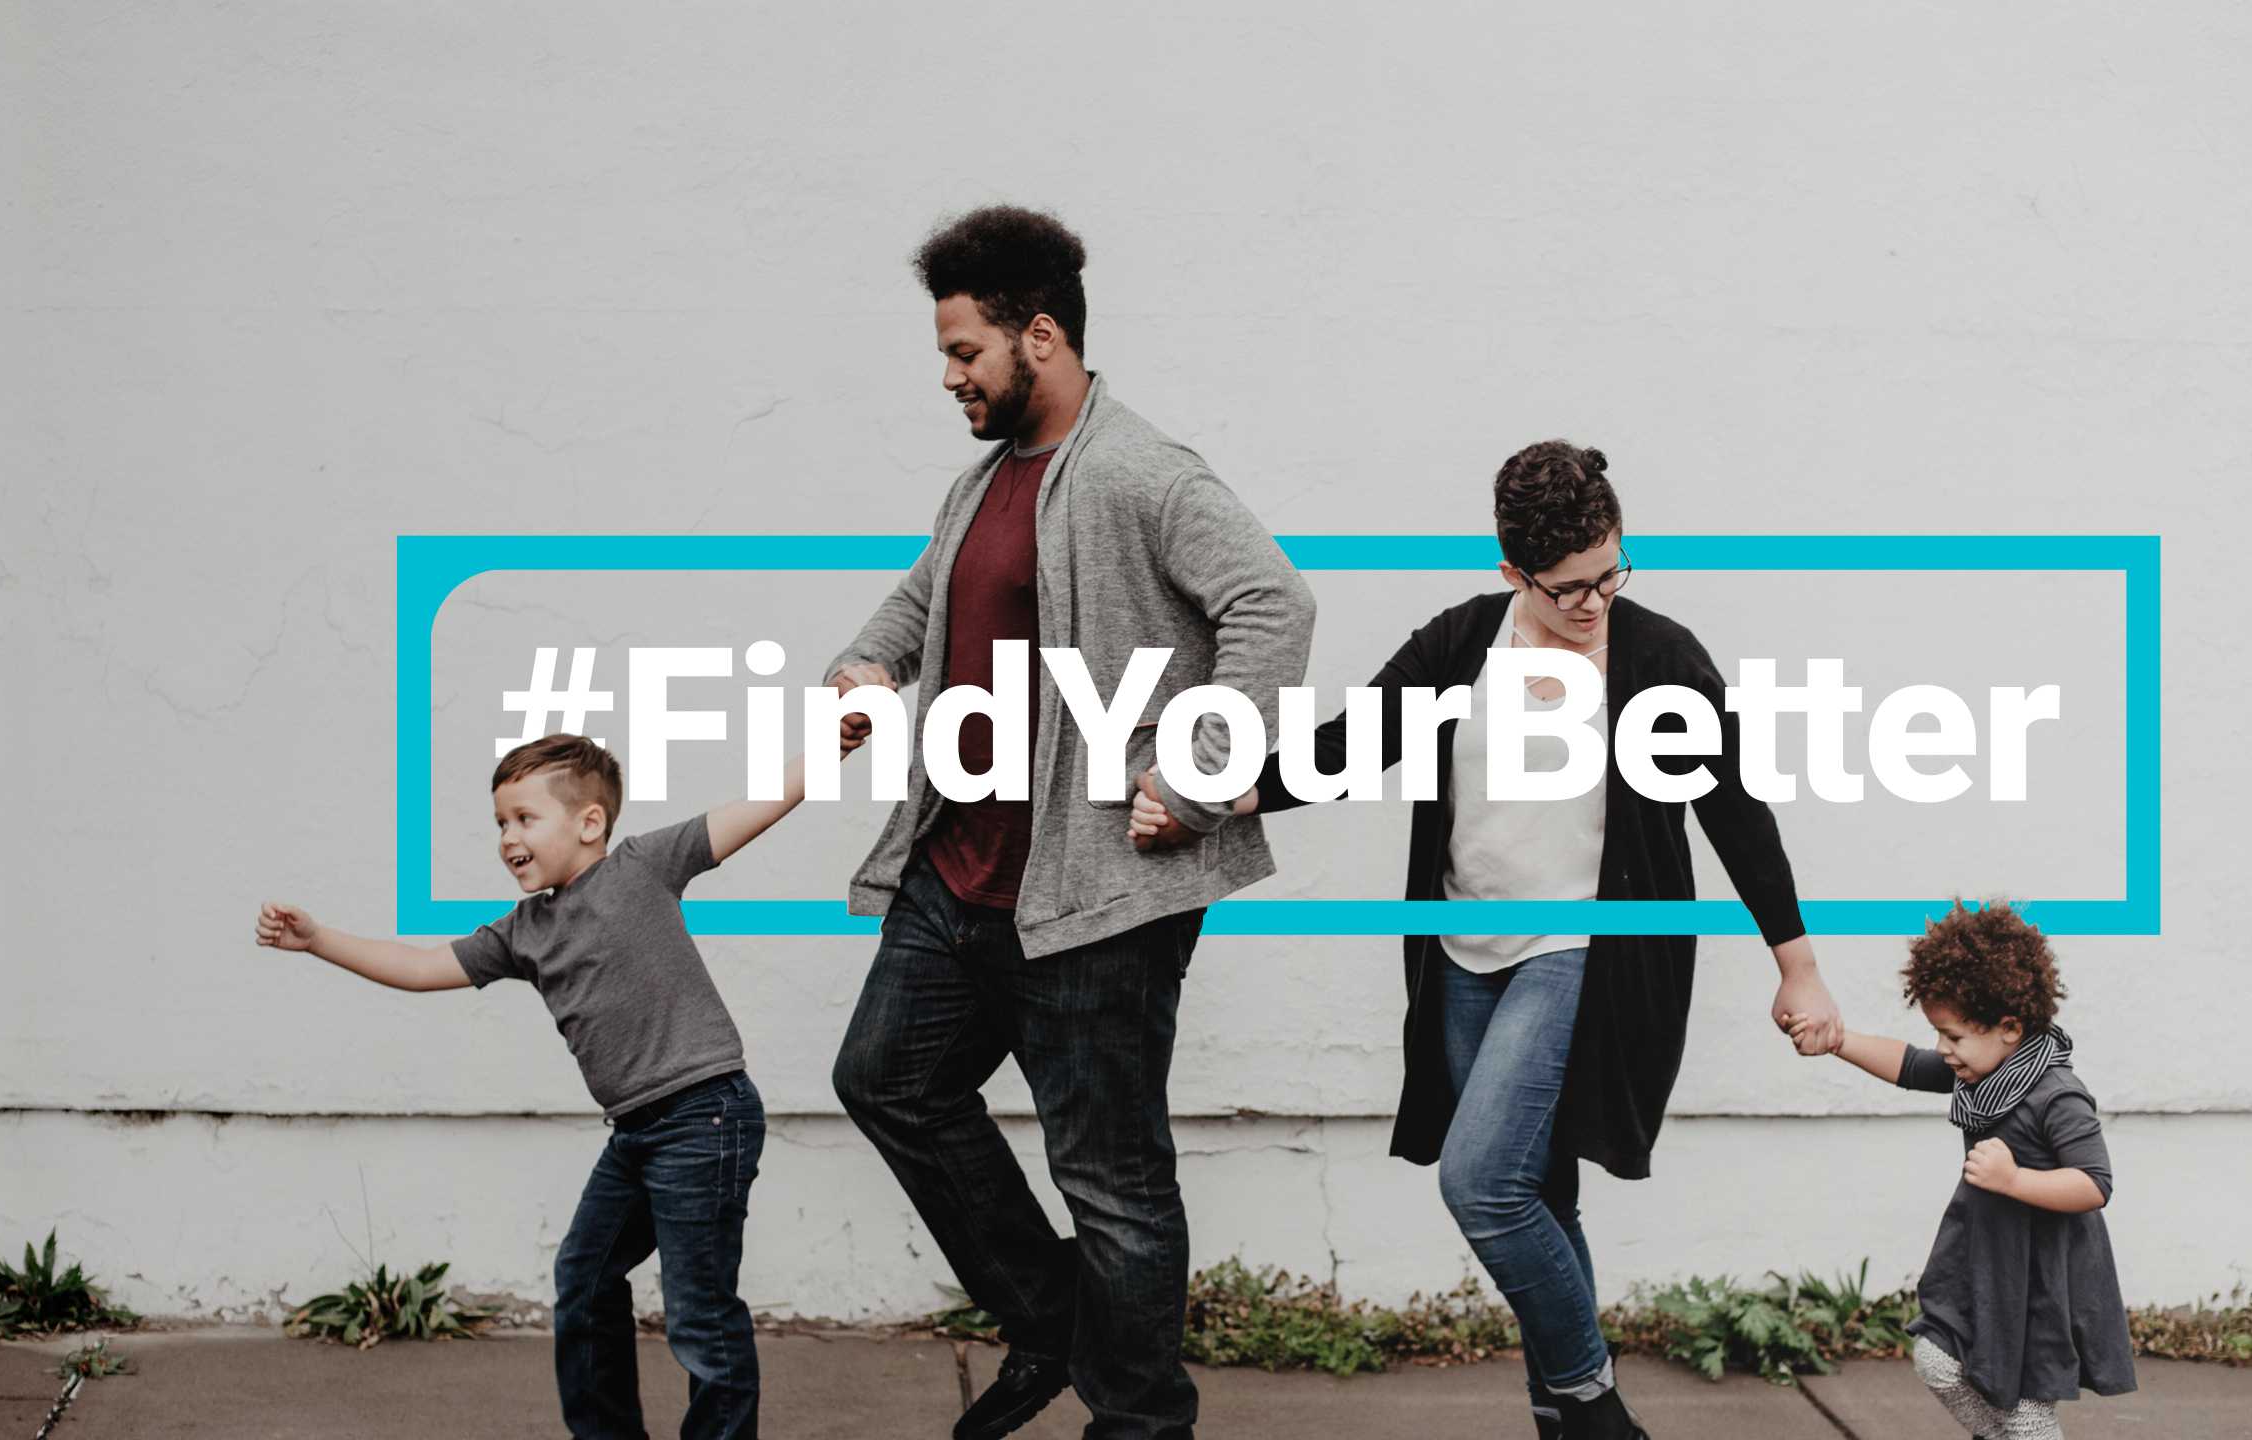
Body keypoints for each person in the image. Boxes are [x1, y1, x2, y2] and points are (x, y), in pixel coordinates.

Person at [1131, 440, 1843, 1440]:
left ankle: (1594, 1411)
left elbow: (1733, 808)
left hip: (1581, 950)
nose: (1592, 604)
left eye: (1608, 576)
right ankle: (1562, 1420)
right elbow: (1349, 745)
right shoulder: (1464, 644)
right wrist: (1210, 803)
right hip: (1463, 957)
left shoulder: (1658, 659)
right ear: (1512, 573)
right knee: (1541, 1195)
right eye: (1566, 590)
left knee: (1482, 1184)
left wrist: (1797, 968)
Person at [823, 205, 1315, 1440]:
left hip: (1095, 893)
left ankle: (1140, 1419)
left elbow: (1273, 603)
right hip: (960, 871)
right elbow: (924, 593)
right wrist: (869, 664)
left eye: (964, 354)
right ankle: (1052, 1321)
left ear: (1038, 336)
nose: (950, 379)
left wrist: (1196, 771)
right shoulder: (982, 479)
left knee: (1112, 1180)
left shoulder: (1143, 473)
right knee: (885, 1081)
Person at [255, 731, 824, 1439]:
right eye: (500, 822)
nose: (507, 837)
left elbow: (758, 808)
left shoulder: (643, 867)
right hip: (639, 1132)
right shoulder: (525, 931)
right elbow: (423, 967)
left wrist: (836, 743)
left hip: (705, 1115)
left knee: (700, 1316)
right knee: (584, 1282)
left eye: (525, 818)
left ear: (589, 822)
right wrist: (318, 940)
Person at [1789, 900, 2136, 1440]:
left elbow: (2095, 1184)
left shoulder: (2057, 1095)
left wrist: (2016, 1180)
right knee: (1936, 1358)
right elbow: (1906, 1065)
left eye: (1953, 1036)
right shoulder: (1979, 1075)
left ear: (2009, 1027)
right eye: (1938, 1033)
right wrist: (1837, 1040)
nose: (1942, 1050)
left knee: (2026, 1412)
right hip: (1982, 1256)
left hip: (2037, 1276)